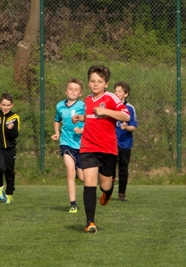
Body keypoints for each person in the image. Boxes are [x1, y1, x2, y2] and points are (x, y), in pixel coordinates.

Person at [72, 65, 130, 233]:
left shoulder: (111, 98)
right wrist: (81, 118)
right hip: (88, 146)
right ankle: (90, 222)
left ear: (106, 83)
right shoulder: (87, 101)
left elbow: (125, 116)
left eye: (99, 81)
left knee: (104, 185)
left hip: (107, 149)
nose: (95, 84)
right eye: (92, 81)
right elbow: (92, 118)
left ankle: (109, 190)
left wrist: (105, 110)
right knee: (89, 182)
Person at [50, 78, 85, 213]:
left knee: (82, 178)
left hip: (82, 144)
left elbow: (91, 121)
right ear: (66, 91)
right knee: (70, 172)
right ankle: (73, 204)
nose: (73, 91)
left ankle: (80, 171)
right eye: (71, 89)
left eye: (76, 89)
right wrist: (57, 133)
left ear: (80, 93)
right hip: (66, 143)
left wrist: (82, 130)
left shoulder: (83, 106)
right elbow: (56, 120)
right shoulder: (60, 106)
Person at [112, 81, 137, 201]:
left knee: (123, 169)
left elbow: (133, 127)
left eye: (119, 91)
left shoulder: (130, 108)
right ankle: (107, 191)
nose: (116, 93)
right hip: (112, 142)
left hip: (125, 144)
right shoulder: (110, 107)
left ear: (125, 94)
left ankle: (122, 193)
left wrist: (126, 127)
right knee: (110, 166)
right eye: (115, 91)